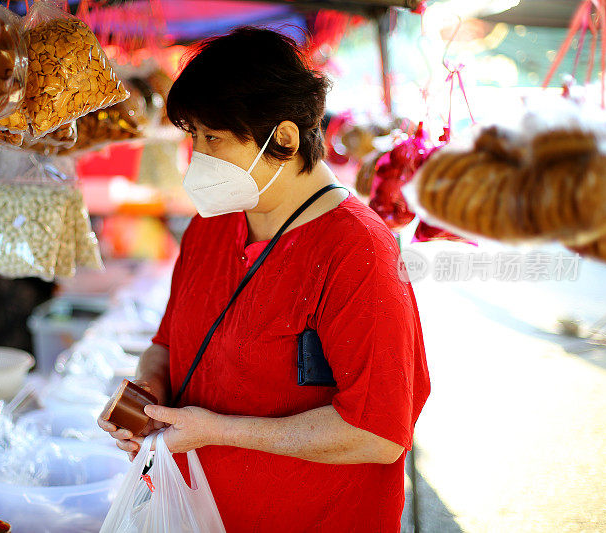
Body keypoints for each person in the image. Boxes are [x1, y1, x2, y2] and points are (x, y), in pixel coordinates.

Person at [98, 27, 431, 532]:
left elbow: (378, 434)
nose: (196, 156)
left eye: (212, 138)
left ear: (285, 138)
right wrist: (148, 391)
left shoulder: (360, 251)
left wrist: (218, 432)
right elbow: (167, 345)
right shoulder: (210, 227)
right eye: (193, 136)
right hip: (199, 514)